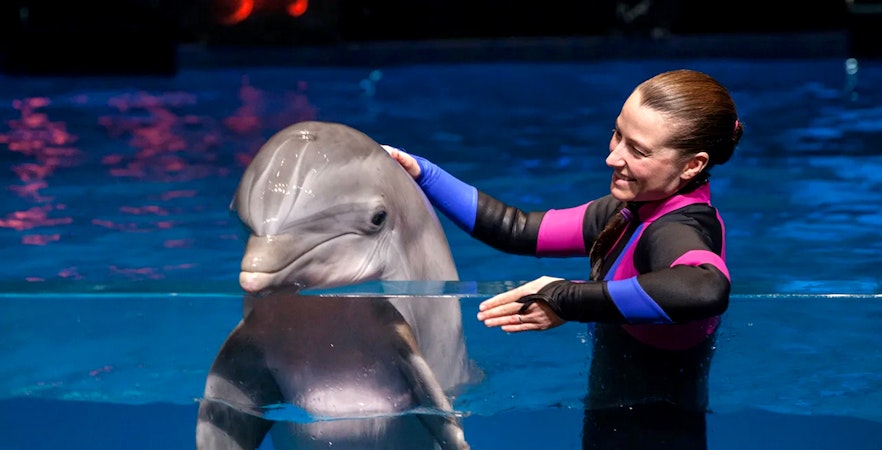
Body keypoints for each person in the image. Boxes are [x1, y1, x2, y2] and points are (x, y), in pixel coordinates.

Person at [384, 68, 741, 449]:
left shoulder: (677, 228)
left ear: (692, 165)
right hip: (611, 425)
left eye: (637, 151)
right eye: (618, 134)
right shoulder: (630, 210)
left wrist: (564, 298)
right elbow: (516, 228)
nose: (612, 156)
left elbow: (704, 287)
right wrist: (422, 172)